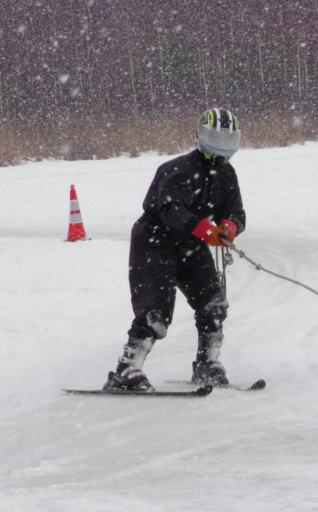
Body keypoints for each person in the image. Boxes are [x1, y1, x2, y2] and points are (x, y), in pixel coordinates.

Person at [103, 107, 246, 392]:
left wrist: (229, 227)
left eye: (227, 139)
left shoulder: (227, 174)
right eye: (215, 138)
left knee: (213, 304)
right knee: (155, 312)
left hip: (191, 246)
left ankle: (207, 362)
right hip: (154, 241)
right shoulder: (178, 169)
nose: (221, 146)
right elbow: (170, 210)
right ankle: (126, 369)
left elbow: (236, 212)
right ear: (200, 136)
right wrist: (204, 229)